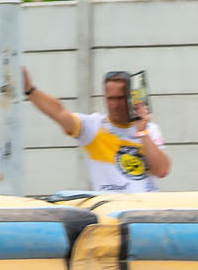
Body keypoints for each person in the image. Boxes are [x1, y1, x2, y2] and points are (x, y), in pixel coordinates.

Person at [24, 68, 168, 192]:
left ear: (132, 98)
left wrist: (142, 132)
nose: (115, 105)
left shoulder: (149, 129)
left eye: (120, 98)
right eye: (110, 99)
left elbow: (161, 170)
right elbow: (59, 112)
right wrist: (29, 90)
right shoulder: (93, 125)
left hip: (144, 211)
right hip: (110, 211)